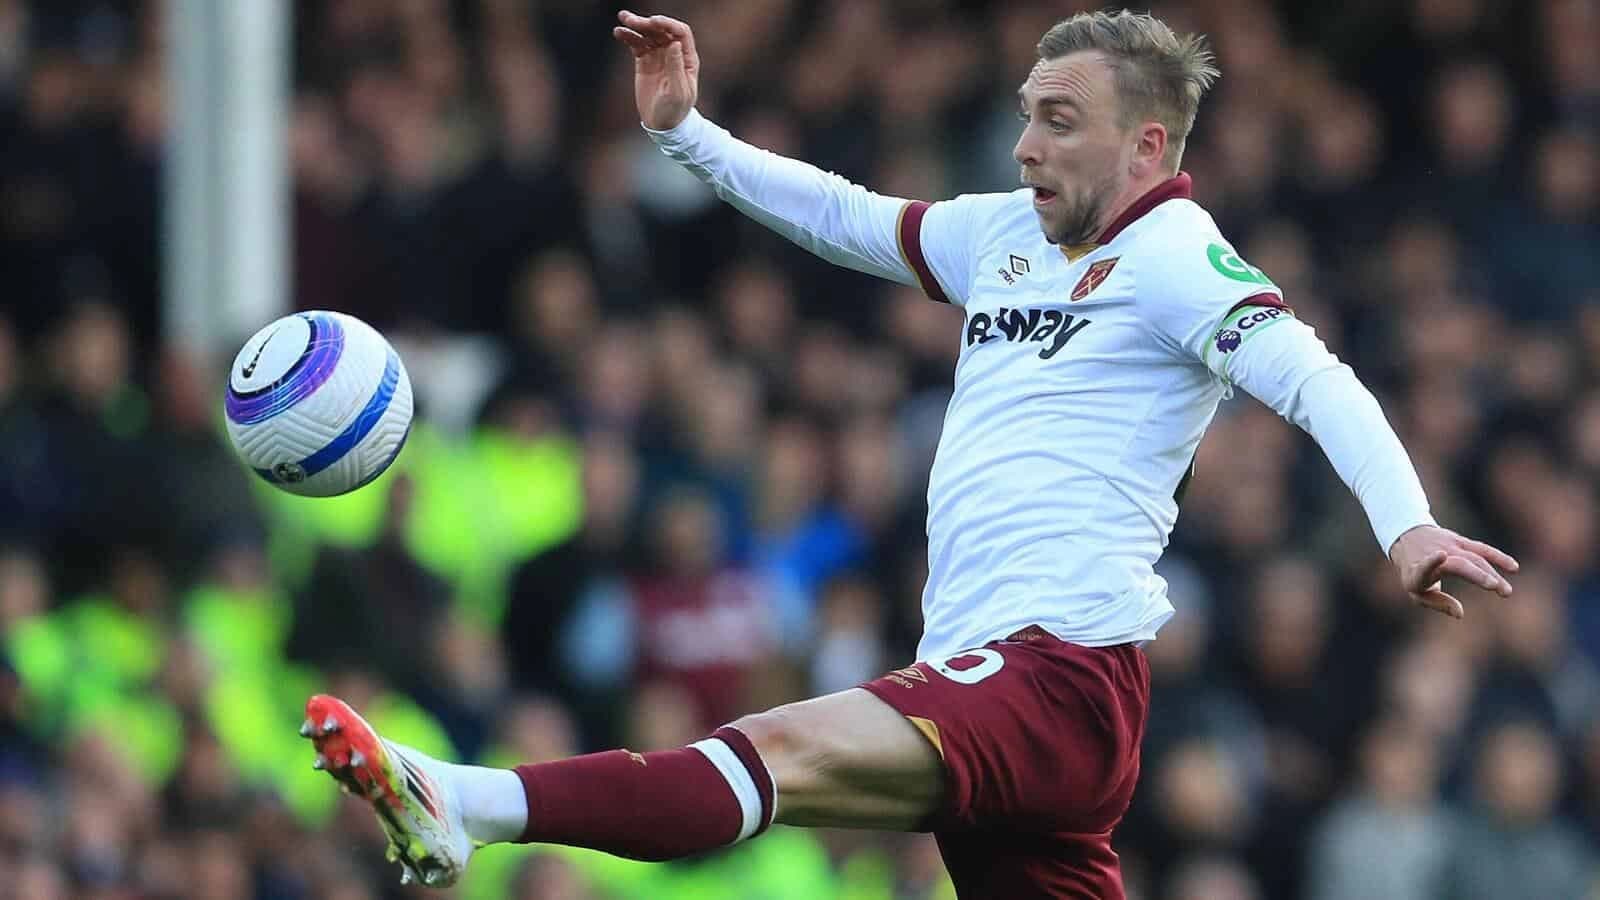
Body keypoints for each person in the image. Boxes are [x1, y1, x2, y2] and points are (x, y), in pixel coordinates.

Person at [298, 9, 1519, 898]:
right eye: (1023, 117)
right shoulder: (1007, 237)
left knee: (777, 749)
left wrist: (1402, 523)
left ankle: (467, 801)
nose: (1024, 146)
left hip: (1058, 674)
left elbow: (1312, 376)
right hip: (988, 667)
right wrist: (686, 134)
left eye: (1057, 121)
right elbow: (840, 215)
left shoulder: (1175, 257)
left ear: (1147, 148)